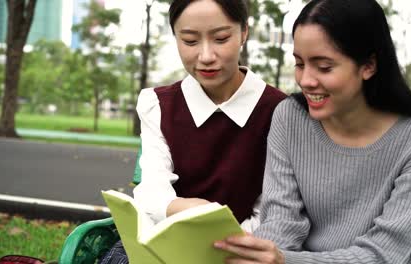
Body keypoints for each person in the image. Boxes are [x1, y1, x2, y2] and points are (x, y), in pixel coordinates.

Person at [214, 0, 411, 263]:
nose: (306, 80)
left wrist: (285, 261)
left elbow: (383, 253)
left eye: (324, 67)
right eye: (299, 64)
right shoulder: (290, 117)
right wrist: (259, 256)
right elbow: (282, 223)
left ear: (369, 65)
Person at [100, 0, 286, 263]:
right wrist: (188, 208)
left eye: (221, 38)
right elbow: (151, 192)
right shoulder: (159, 105)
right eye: (189, 41)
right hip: (160, 242)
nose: (206, 56)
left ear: (244, 32)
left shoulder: (279, 111)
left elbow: (271, 212)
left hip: (238, 250)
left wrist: (218, 244)